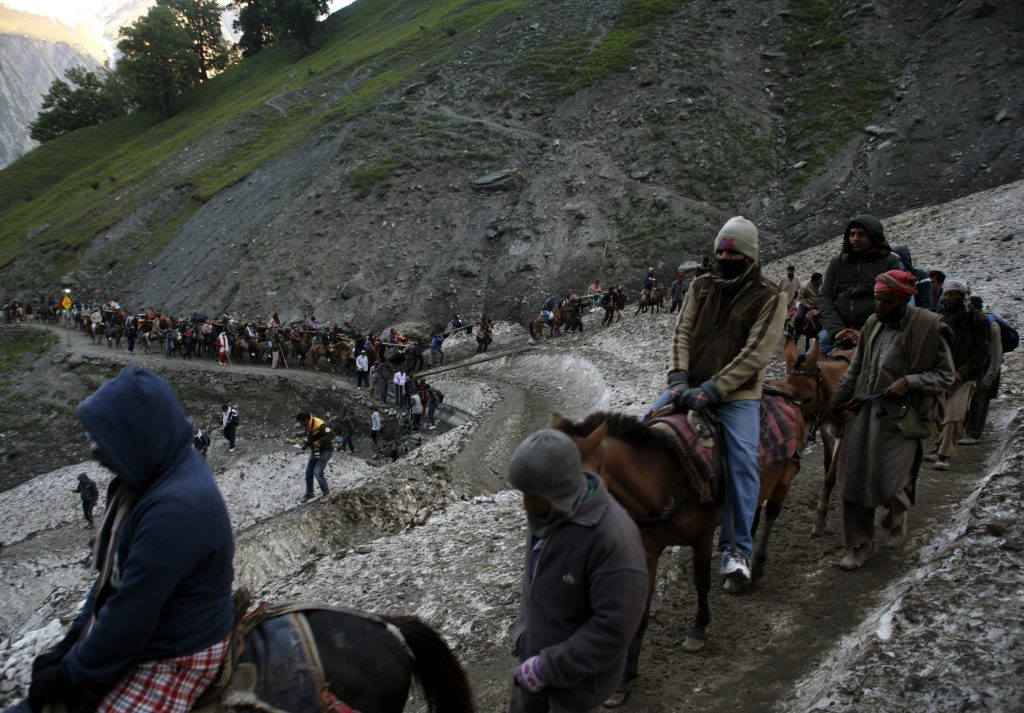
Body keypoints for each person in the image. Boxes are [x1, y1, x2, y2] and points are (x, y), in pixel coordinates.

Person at [19, 367, 234, 713]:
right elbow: (112, 580)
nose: (94, 449)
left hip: (177, 648)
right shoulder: (146, 481)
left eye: (104, 437)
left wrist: (68, 675)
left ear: (136, 435)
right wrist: (71, 642)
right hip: (155, 630)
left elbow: (129, 619)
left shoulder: (174, 511)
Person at [648, 216, 787, 586]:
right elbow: (682, 333)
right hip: (687, 383)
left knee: (743, 459)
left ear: (748, 255)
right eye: (721, 250)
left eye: (733, 251)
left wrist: (713, 389)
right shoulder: (700, 287)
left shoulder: (770, 297)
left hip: (737, 395)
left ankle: (736, 549)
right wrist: (678, 376)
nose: (725, 256)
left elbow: (756, 353)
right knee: (642, 427)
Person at [506, 429, 648, 713]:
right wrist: (524, 633)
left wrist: (547, 668)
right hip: (533, 669)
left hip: (575, 689)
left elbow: (613, 629)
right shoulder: (546, 514)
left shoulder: (614, 541)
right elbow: (533, 578)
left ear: (558, 491)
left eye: (531, 496)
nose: (525, 504)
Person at [827, 271, 954, 569]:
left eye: (885, 302)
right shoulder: (873, 324)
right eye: (877, 300)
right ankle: (860, 544)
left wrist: (909, 382)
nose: (878, 307)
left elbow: (945, 375)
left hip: (903, 417)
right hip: (867, 413)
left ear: (902, 299)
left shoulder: (927, 327)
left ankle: (899, 513)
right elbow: (854, 371)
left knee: (889, 480)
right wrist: (833, 404)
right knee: (852, 477)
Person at [927, 279, 989, 470]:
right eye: (946, 294)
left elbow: (982, 351)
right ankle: (937, 447)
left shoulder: (976, 319)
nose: (949, 297)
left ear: (963, 296)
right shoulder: (938, 317)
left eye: (953, 294)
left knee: (954, 415)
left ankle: (944, 455)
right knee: (937, 414)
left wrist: (963, 372)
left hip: (964, 376)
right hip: (939, 373)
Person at [818, 215, 901, 354]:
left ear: (874, 236)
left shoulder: (889, 262)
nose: (855, 239)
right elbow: (826, 297)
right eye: (852, 234)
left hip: (874, 327)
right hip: (838, 328)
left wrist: (867, 329)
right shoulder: (837, 262)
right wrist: (837, 330)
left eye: (861, 234)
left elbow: (892, 301)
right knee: (805, 366)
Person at [962, 296, 1003, 444]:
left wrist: (990, 376)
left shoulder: (992, 326)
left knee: (980, 400)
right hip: (979, 366)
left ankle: (973, 433)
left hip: (988, 368)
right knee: (972, 399)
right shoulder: (974, 322)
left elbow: (996, 354)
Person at [295, 412, 334, 502]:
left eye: (301, 422)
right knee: (309, 472)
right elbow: (309, 437)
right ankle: (310, 493)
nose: (300, 424)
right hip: (315, 451)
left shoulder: (319, 424)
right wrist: (305, 445)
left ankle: (327, 494)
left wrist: (320, 441)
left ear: (306, 420)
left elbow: (331, 435)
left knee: (318, 472)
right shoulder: (308, 425)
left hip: (326, 450)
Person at [891, 245, 933, 311]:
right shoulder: (889, 278)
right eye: (893, 260)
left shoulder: (920, 276)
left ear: (905, 259)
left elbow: (926, 302)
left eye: (899, 260)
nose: (896, 263)